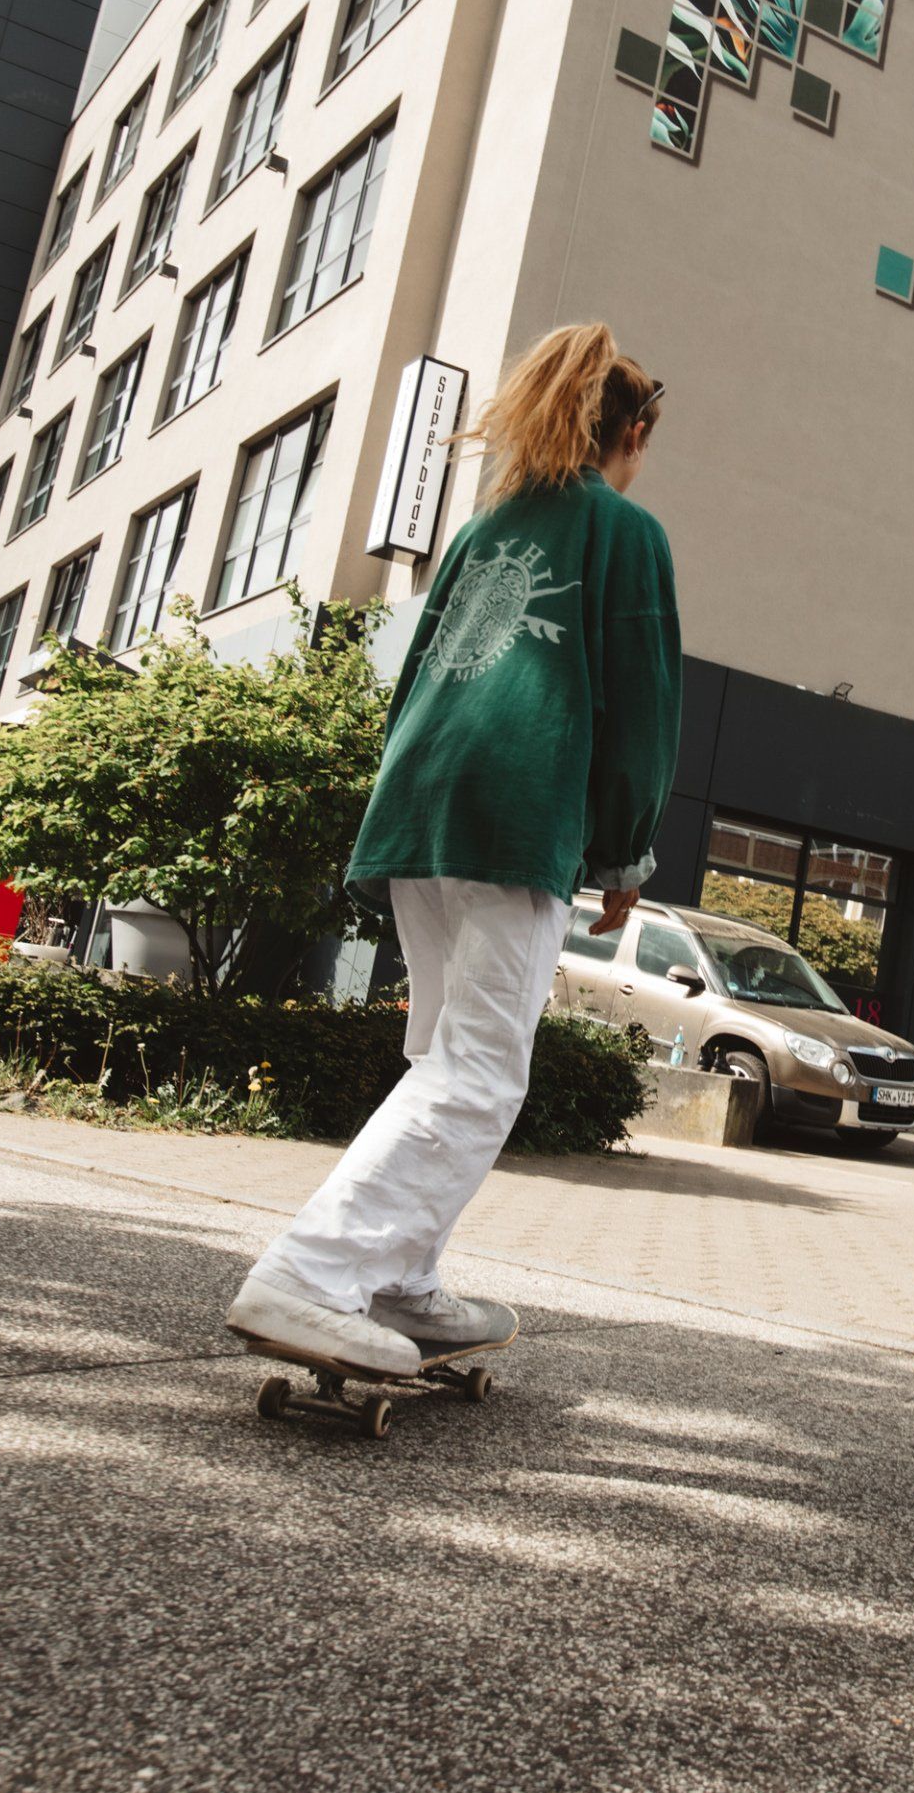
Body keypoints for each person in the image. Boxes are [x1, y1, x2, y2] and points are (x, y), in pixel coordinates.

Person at [227, 323, 681, 1376]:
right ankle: (312, 1272)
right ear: (634, 429)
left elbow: (418, 677)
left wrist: (399, 806)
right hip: (517, 811)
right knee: (481, 1073)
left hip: (423, 800)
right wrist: (624, 857)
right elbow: (642, 712)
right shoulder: (627, 533)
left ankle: (398, 1279)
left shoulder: (487, 530)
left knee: (443, 1055)